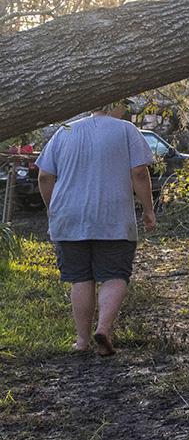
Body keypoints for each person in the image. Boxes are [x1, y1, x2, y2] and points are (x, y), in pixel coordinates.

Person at [35, 98, 156, 357]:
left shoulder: (65, 131)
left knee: (80, 278)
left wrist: (52, 208)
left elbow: (45, 176)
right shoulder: (126, 130)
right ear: (116, 103)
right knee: (114, 274)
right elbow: (139, 173)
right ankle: (103, 329)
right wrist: (148, 210)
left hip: (68, 217)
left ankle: (81, 341)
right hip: (112, 216)